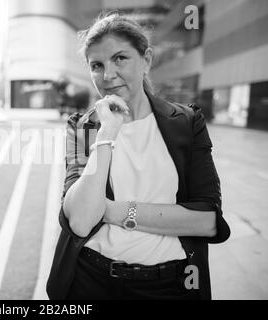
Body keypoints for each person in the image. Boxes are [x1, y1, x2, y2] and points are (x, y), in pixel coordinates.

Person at [46, 11, 230, 300]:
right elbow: (81, 222)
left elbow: (206, 220)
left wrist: (113, 211)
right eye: (97, 65)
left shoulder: (187, 122)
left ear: (147, 60)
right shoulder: (82, 128)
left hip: (170, 283)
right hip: (90, 280)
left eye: (120, 58)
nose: (108, 75)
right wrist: (107, 133)